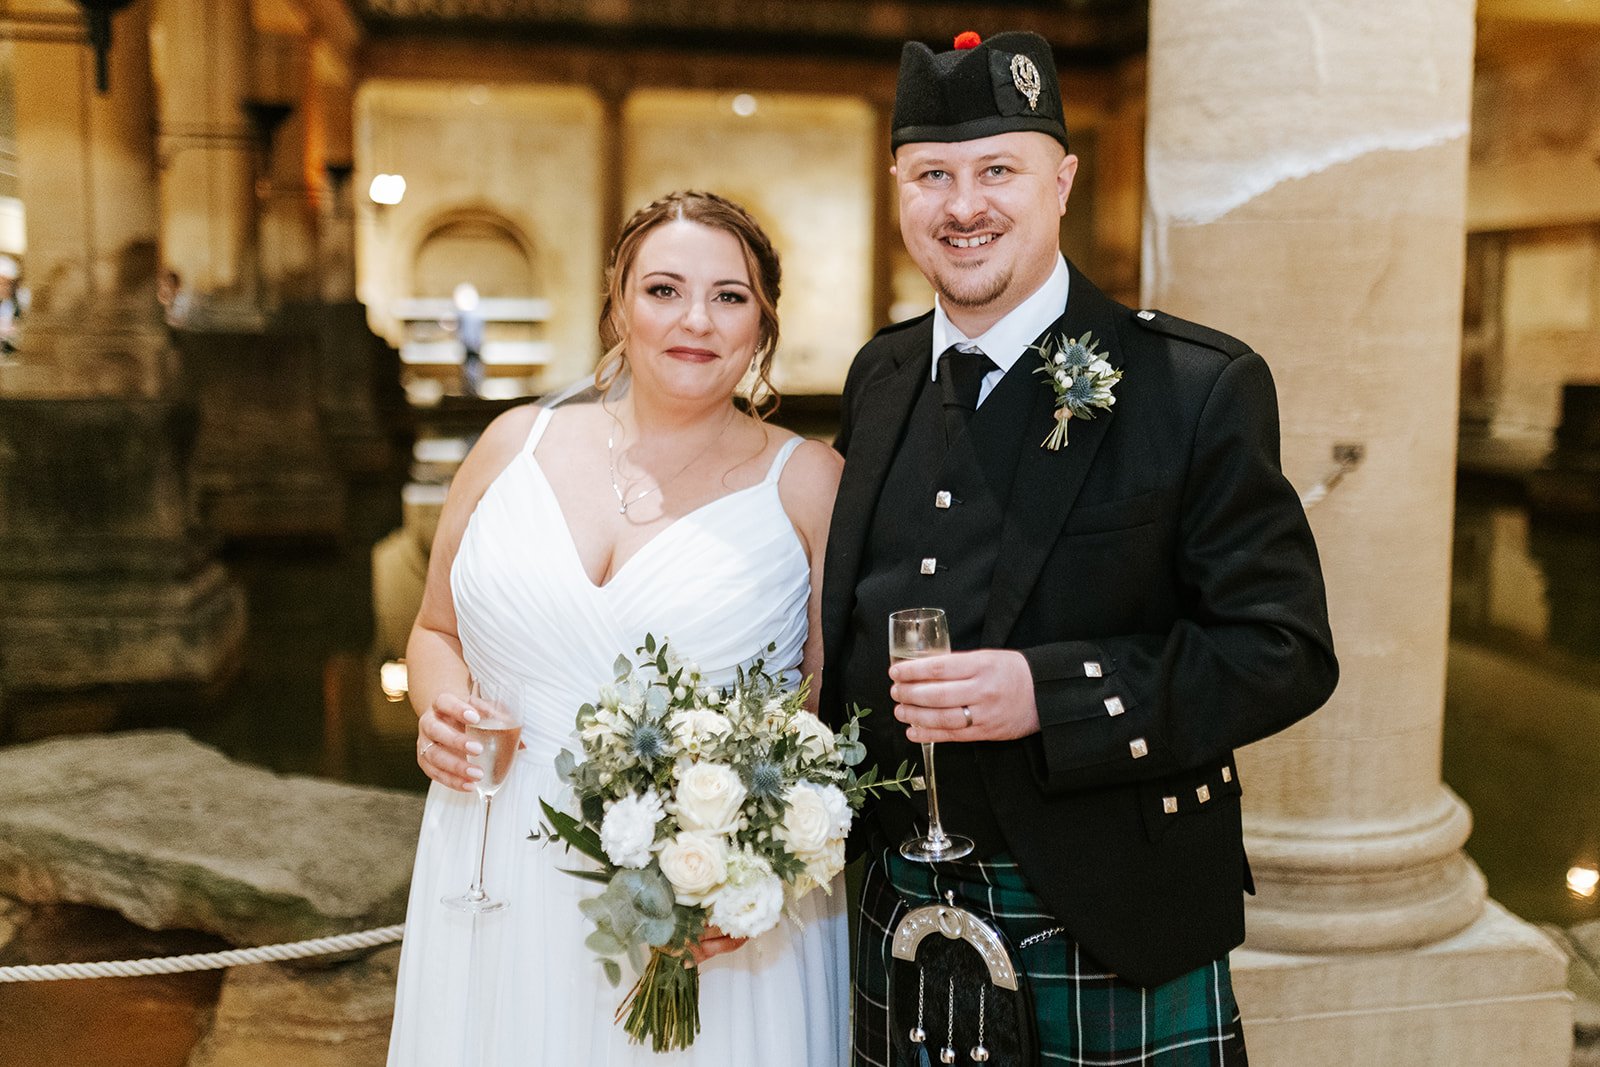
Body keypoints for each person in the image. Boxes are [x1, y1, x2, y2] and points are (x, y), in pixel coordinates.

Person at [819, 31, 1339, 1065]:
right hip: (893, 904)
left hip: (1112, 920)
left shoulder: (1193, 386)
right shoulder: (878, 378)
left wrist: (1049, 694)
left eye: (996, 170)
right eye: (932, 174)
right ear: (898, 190)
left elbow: (1283, 648)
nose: (962, 205)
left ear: (1060, 181)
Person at [387, 190, 848, 1066]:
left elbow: (825, 703)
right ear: (618, 305)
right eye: (665, 289)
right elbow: (434, 630)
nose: (696, 321)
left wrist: (756, 862)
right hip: (493, 866)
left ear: (763, 323)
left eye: (730, 296)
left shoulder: (809, 482)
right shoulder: (510, 445)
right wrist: (439, 712)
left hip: (701, 905)